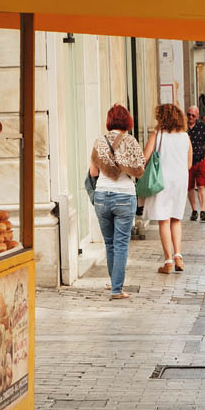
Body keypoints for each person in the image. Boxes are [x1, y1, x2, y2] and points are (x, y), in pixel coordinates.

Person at [90, 105, 146, 299]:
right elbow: (140, 169)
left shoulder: (99, 141)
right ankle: (116, 289)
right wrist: (124, 164)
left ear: (109, 120)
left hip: (102, 196)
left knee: (110, 243)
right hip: (124, 195)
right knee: (121, 244)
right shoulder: (130, 141)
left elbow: (93, 173)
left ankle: (113, 282)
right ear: (127, 121)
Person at [143, 104, 192, 274]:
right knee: (176, 219)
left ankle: (168, 260)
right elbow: (189, 163)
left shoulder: (156, 135)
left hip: (161, 180)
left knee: (164, 220)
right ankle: (178, 255)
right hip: (180, 180)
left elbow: (144, 158)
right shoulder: (185, 136)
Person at [186, 105, 205, 222]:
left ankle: (203, 210)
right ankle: (194, 210)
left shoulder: (202, 127)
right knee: (189, 186)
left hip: (200, 160)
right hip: (186, 162)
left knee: (201, 185)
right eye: (188, 114)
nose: (190, 117)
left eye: (193, 115)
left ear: (197, 116)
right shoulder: (183, 127)